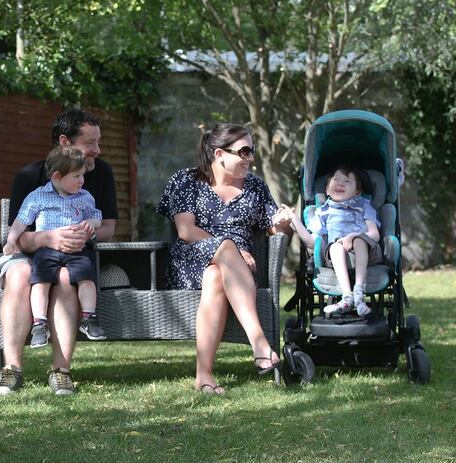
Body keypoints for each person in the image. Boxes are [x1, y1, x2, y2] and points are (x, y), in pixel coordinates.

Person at [156, 123, 291, 395]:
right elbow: (186, 231)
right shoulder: (186, 180)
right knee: (226, 249)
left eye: (251, 151)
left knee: (215, 276)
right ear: (219, 154)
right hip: (190, 260)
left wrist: (284, 224)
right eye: (244, 152)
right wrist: (232, 249)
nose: (250, 158)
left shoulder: (255, 186)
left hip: (235, 272)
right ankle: (259, 343)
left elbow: (276, 232)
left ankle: (203, 376)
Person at [0, 109, 118, 396]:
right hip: (29, 251)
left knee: (64, 278)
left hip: (73, 252)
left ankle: (61, 371)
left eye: (98, 142)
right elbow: (18, 237)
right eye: (90, 143)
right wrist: (48, 238)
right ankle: (11, 369)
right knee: (20, 274)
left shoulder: (101, 173)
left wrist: (82, 235)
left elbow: (108, 227)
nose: (97, 150)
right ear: (65, 142)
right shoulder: (29, 176)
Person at [3, 145, 104, 349]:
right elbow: (21, 221)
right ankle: (39, 324)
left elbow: (97, 217)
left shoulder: (84, 197)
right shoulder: (38, 196)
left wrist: (91, 223)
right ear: (57, 176)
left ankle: (89, 318)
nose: (82, 181)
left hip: (76, 250)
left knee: (87, 278)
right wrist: (11, 240)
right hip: (46, 250)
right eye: (76, 176)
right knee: (40, 282)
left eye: (82, 175)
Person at [280, 167, 381, 317]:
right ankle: (347, 297)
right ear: (327, 189)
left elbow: (374, 234)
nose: (341, 183)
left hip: (367, 252)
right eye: (336, 179)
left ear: (357, 191)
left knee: (359, 241)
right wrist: (293, 219)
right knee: (334, 247)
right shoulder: (323, 211)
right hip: (335, 256)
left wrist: (353, 236)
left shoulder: (364, 206)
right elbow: (312, 242)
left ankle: (359, 292)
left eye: (347, 181)